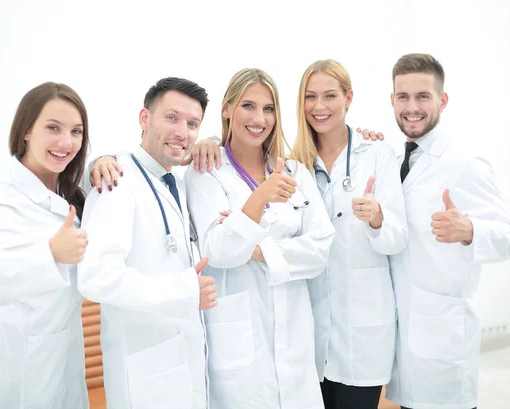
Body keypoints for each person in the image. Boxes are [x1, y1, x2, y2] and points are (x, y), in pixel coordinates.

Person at [184, 68, 335, 409]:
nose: (259, 118)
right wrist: (259, 199)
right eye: (248, 106)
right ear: (227, 109)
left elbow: (321, 247)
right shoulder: (205, 171)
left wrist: (255, 248)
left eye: (268, 109)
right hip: (237, 341)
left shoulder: (295, 172)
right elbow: (219, 250)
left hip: (295, 336)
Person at [385, 53, 510, 409]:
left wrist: (470, 230)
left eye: (423, 97)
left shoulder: (464, 162)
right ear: (392, 100)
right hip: (407, 332)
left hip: (442, 336)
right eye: (403, 96)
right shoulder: (394, 158)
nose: (411, 107)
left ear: (442, 100)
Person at [77, 77, 217, 409]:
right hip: (146, 373)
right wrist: (184, 291)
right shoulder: (116, 179)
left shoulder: (175, 184)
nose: (183, 131)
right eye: (172, 118)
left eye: (192, 123)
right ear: (144, 119)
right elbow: (97, 277)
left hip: (181, 362)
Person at [290, 59, 407, 409]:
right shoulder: (294, 164)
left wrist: (377, 218)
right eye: (310, 97)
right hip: (309, 330)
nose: (319, 106)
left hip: (363, 331)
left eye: (330, 95)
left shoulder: (378, 155)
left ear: (348, 98)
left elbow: (398, 237)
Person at [0, 82, 90, 409]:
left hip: (63, 359)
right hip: (25, 372)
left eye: (76, 131)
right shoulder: (5, 202)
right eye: (53, 128)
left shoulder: (68, 188)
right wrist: (49, 253)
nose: (67, 142)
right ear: (26, 131)